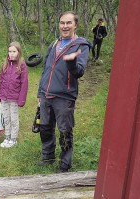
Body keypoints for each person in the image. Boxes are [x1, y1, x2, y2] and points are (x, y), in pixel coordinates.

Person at [36, 11, 91, 172]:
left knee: (65, 131)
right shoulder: (54, 44)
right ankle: (48, 157)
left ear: (75, 25)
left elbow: (79, 71)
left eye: (68, 23)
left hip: (64, 97)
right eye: (62, 23)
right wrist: (40, 92)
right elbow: (46, 69)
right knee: (45, 128)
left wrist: (72, 62)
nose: (65, 26)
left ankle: (65, 164)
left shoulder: (81, 45)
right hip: (46, 95)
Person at [0, 41, 28, 148]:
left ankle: (13, 139)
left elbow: (24, 83)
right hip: (4, 97)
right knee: (6, 118)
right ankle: (7, 137)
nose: (11, 54)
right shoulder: (5, 65)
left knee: (14, 119)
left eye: (14, 51)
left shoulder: (21, 66)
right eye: (10, 51)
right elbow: (0, 80)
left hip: (14, 98)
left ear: (19, 52)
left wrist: (21, 99)